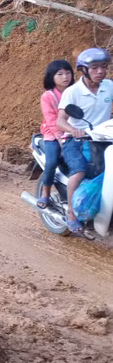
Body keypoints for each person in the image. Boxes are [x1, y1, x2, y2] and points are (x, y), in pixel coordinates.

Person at [55, 47, 112, 233]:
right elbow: (60, 120)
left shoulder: (109, 86)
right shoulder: (72, 92)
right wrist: (74, 130)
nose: (100, 71)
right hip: (77, 141)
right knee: (79, 171)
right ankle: (71, 214)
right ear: (84, 69)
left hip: (104, 139)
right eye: (95, 67)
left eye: (103, 67)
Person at [37, 60, 74, 209]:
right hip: (52, 134)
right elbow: (51, 120)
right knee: (51, 162)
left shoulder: (76, 92)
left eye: (68, 73)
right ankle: (45, 194)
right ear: (51, 77)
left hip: (74, 131)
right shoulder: (48, 96)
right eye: (60, 74)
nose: (65, 77)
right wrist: (61, 139)